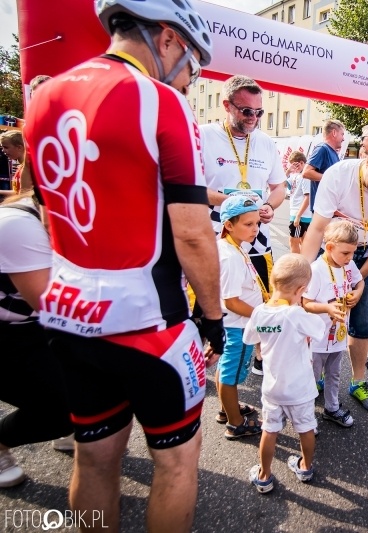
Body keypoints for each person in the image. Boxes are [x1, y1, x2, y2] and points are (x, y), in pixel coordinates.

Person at [23, 1, 223, 530]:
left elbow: (43, 207)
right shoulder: (160, 101)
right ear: (167, 39)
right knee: (176, 463)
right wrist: (215, 316)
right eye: (193, 65)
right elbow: (193, 234)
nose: (189, 80)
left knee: (94, 457)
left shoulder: (43, 96)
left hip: (69, 316)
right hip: (147, 324)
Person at [301, 140, 368, 413]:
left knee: (361, 322)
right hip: (329, 254)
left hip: (363, 259)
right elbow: (316, 229)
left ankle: (358, 382)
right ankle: (316, 375)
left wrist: (357, 277)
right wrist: (303, 274)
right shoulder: (339, 175)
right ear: (367, 160)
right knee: (320, 314)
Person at [0, 193, 73, 488]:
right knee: (62, 407)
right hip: (11, 330)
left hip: (34, 326)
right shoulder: (18, 224)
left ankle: (72, 426)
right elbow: (52, 306)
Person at [245, 254, 325, 493]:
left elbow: (250, 338)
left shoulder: (259, 311)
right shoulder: (296, 314)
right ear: (301, 289)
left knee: (269, 430)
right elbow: (319, 330)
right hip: (300, 388)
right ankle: (305, 466)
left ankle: (264, 474)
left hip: (272, 387)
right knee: (306, 428)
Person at [201, 75, 286, 290]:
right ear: (227, 106)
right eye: (246, 111)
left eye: (259, 112)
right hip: (214, 238)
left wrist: (268, 205)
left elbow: (279, 188)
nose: (253, 118)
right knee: (214, 304)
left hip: (257, 241)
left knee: (258, 302)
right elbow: (190, 187)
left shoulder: (265, 141)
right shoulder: (203, 136)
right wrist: (232, 202)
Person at [302, 220, 364, 428]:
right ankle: (306, 416)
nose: (350, 258)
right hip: (317, 339)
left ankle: (332, 408)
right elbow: (306, 303)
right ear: (329, 247)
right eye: (346, 253)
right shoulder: (316, 270)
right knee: (310, 378)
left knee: (334, 374)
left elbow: (360, 281)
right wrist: (327, 308)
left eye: (353, 253)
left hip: (338, 335)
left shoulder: (349, 265)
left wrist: (357, 292)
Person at [216, 196, 266, 439]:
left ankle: (227, 410)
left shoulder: (233, 247)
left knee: (226, 371)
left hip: (235, 325)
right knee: (230, 374)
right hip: (237, 327)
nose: (255, 229)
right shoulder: (231, 257)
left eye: (256, 223)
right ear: (228, 225)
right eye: (248, 224)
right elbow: (231, 301)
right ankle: (235, 423)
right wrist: (261, 313)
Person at [303, 119, 345, 211]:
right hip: (322, 209)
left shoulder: (332, 152)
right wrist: (330, 178)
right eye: (342, 134)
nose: (343, 139)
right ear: (334, 132)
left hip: (330, 207)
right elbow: (306, 172)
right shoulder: (322, 148)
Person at [287, 151, 311, 253]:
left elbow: (308, 197)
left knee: (294, 242)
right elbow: (282, 184)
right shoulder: (295, 176)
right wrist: (288, 171)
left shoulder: (305, 177)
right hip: (296, 213)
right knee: (303, 242)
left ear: (301, 163)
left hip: (300, 215)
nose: (294, 168)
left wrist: (298, 215)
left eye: (295, 165)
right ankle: (305, 263)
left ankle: (296, 264)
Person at [0, 131, 24, 197]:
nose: (3, 150)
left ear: (19, 147)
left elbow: (23, 195)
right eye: (2, 148)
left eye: (6, 147)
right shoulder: (21, 167)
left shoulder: (28, 169)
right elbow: (17, 192)